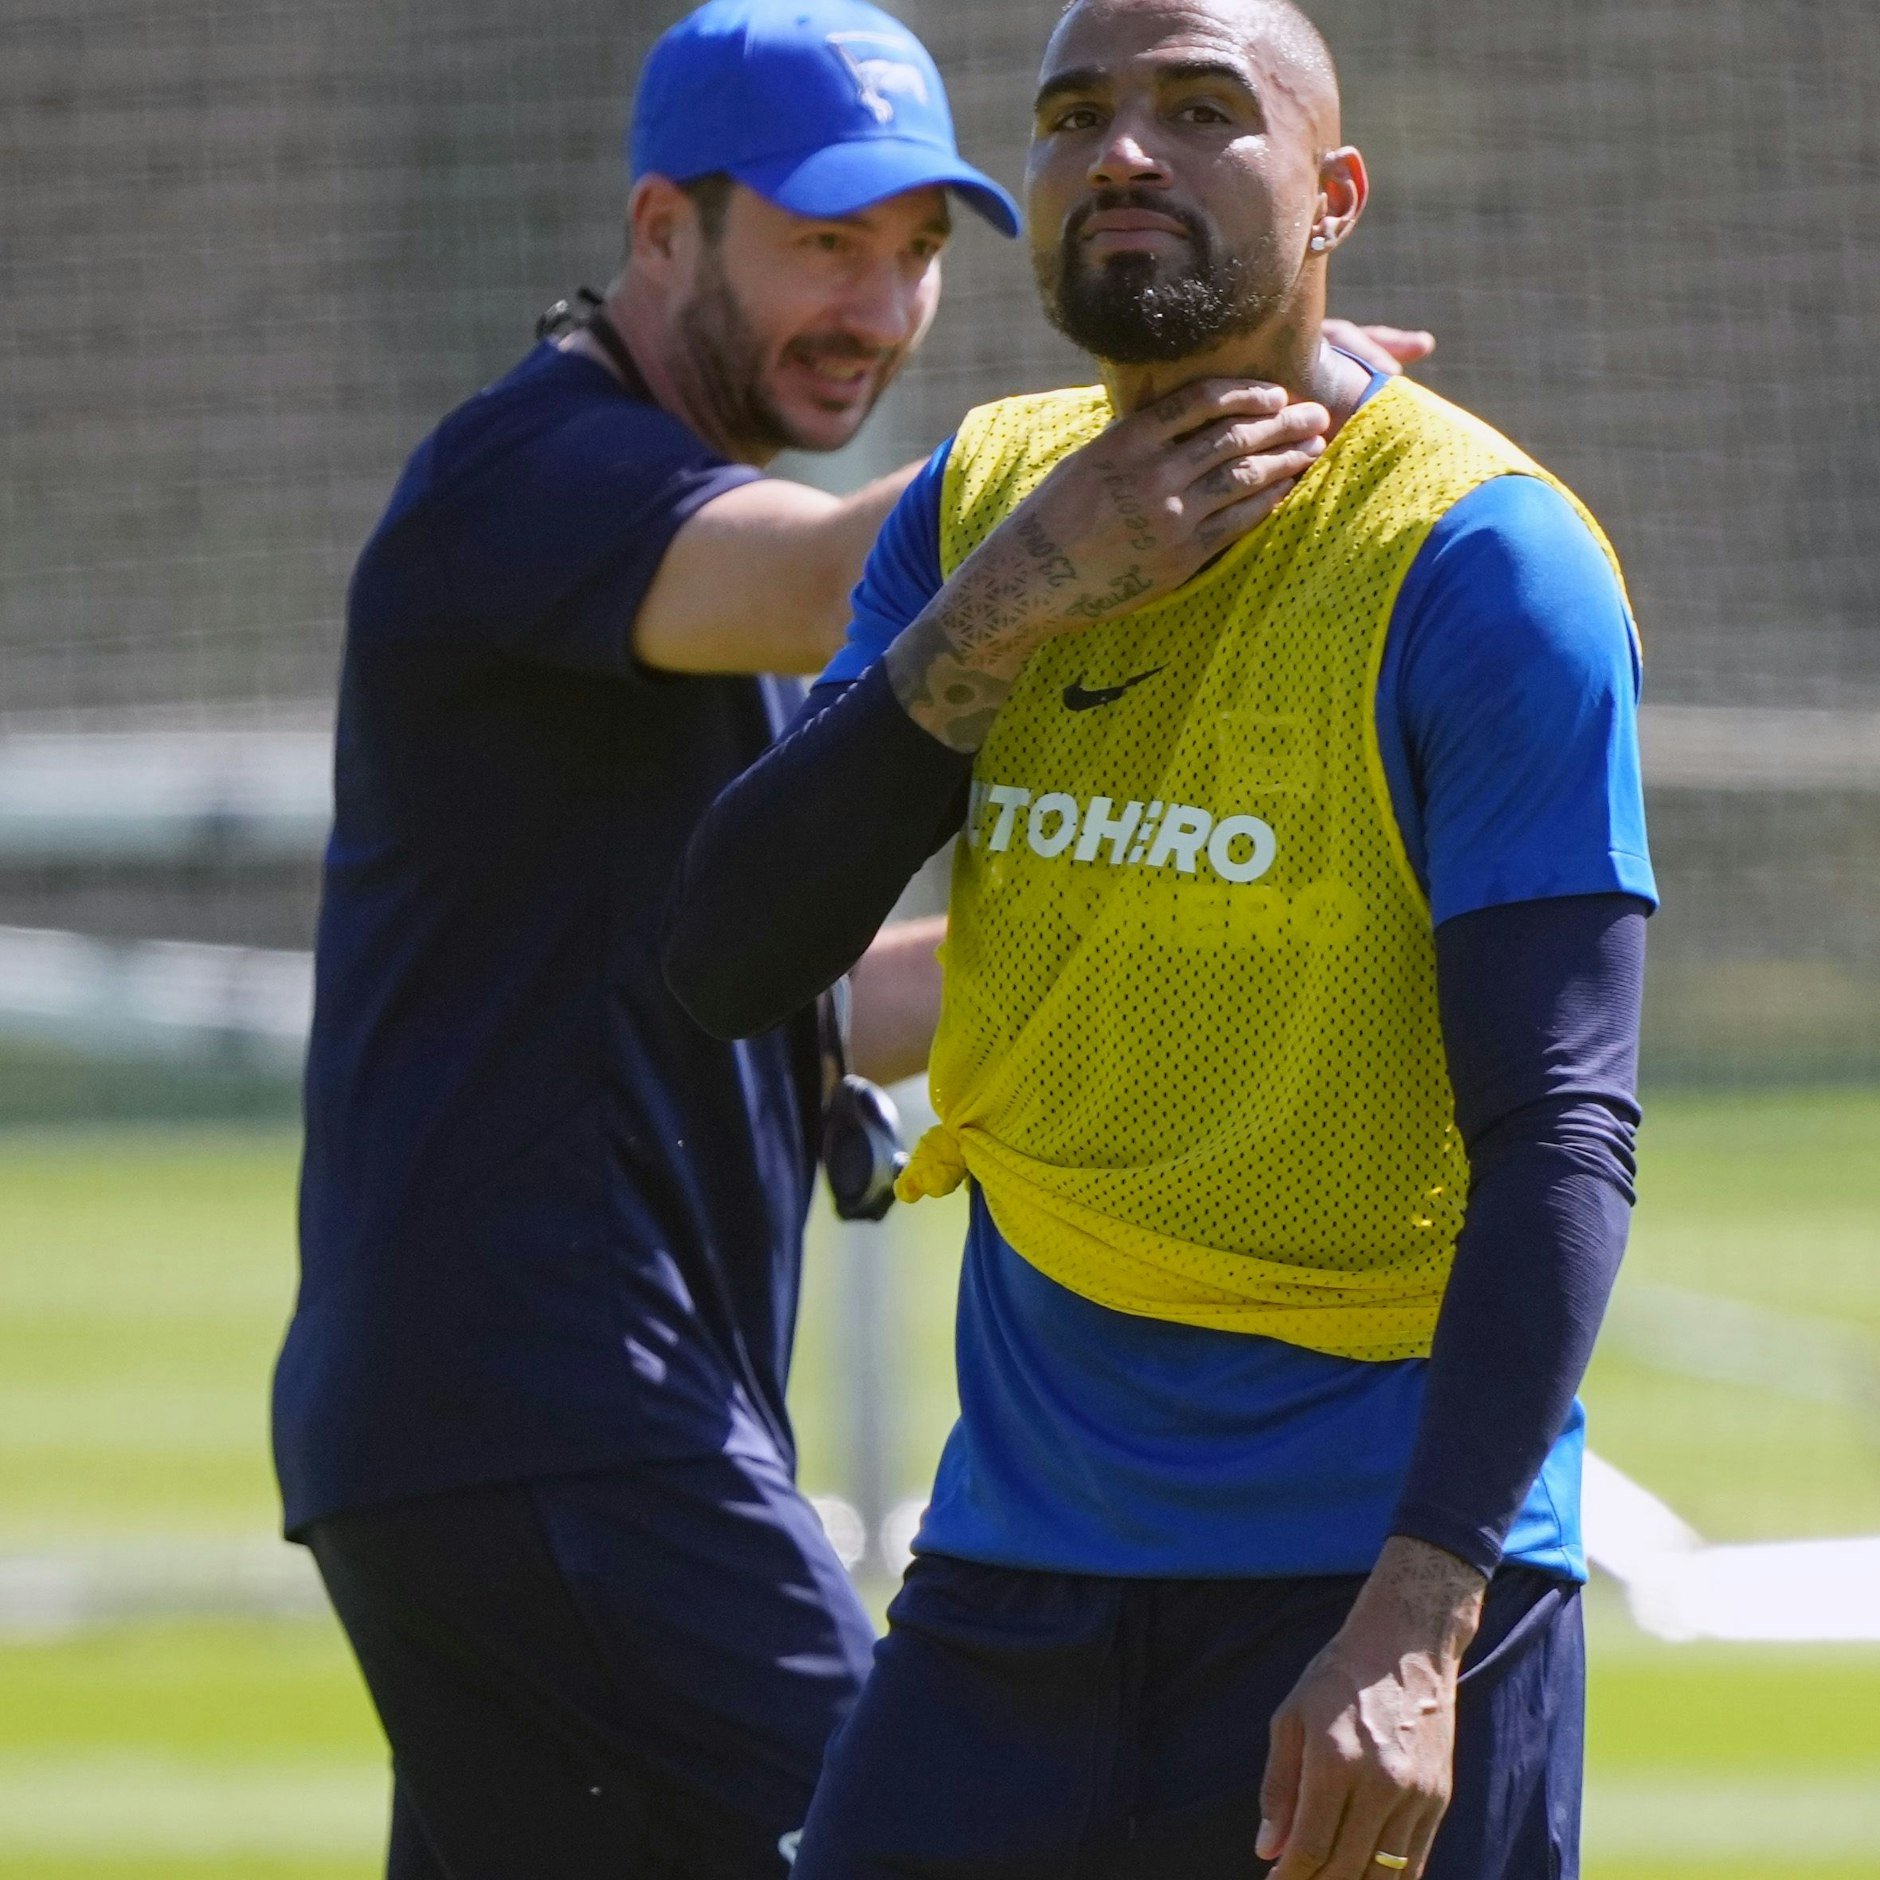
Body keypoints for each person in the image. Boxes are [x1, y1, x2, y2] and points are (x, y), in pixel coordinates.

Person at [664, 1, 1656, 1875]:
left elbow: (1565, 1139)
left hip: (1374, 1595)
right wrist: (1024, 594)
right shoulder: (983, 503)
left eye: (1203, 112)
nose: (1121, 152)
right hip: (1020, 1573)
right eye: (1073, 117)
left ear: (1334, 195)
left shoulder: (1485, 562)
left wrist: (1418, 1624)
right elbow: (728, 956)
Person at [269, 4, 1017, 1875]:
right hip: (558, 1411)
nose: (881, 304)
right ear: (662, 226)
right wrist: (1185, 436)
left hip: (515, 1432)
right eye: (826, 241)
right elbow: (852, 576)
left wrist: (1213, 947)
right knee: (905, 1844)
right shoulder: (530, 479)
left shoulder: (676, 571)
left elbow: (788, 1004)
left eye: (919, 251)